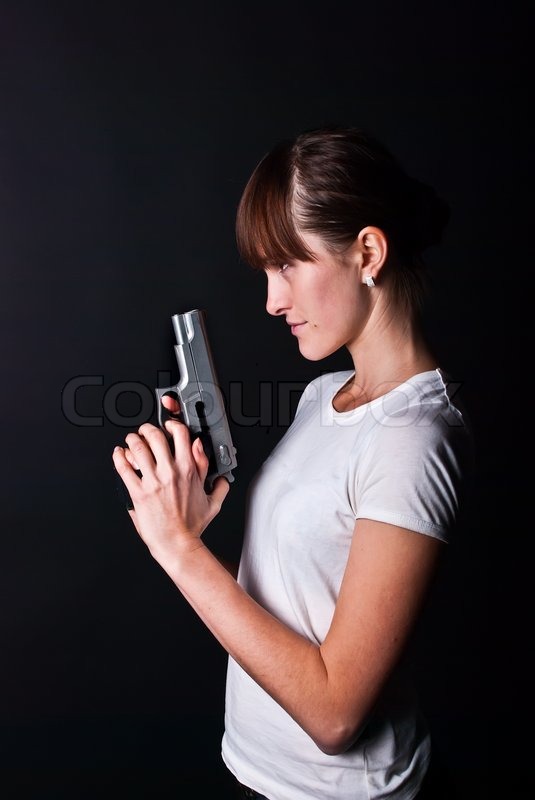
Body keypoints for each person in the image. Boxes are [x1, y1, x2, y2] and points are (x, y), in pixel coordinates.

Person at [112, 125, 474, 800]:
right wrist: (191, 525)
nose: (272, 300)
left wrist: (177, 551)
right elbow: (291, 598)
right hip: (256, 771)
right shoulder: (319, 396)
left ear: (366, 251)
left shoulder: (414, 438)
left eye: (287, 265)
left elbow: (336, 714)